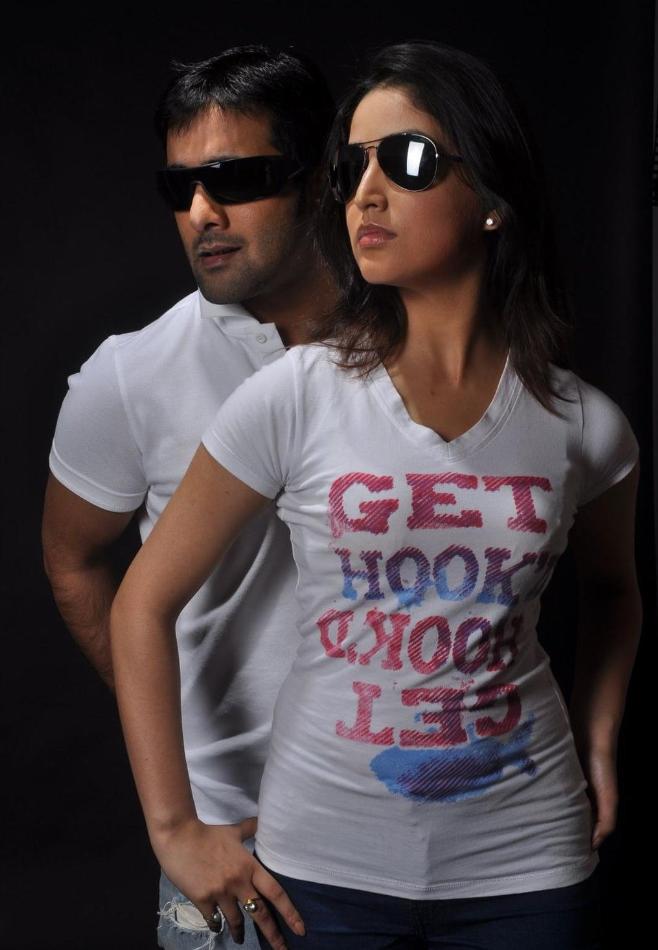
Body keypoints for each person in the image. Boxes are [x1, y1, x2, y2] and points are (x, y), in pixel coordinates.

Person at [109, 40, 642, 950]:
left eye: (408, 160)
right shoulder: (296, 396)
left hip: (529, 865)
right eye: (352, 166)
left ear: (493, 197)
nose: (365, 192)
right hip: (321, 871)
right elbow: (140, 604)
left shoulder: (584, 425)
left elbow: (615, 592)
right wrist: (174, 829)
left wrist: (599, 743)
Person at [41, 44, 335, 950]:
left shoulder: (415, 343)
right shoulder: (129, 376)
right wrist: (179, 770)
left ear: (319, 178)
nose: (203, 212)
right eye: (181, 188)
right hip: (234, 844)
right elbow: (72, 559)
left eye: (236, 178)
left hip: (410, 825)